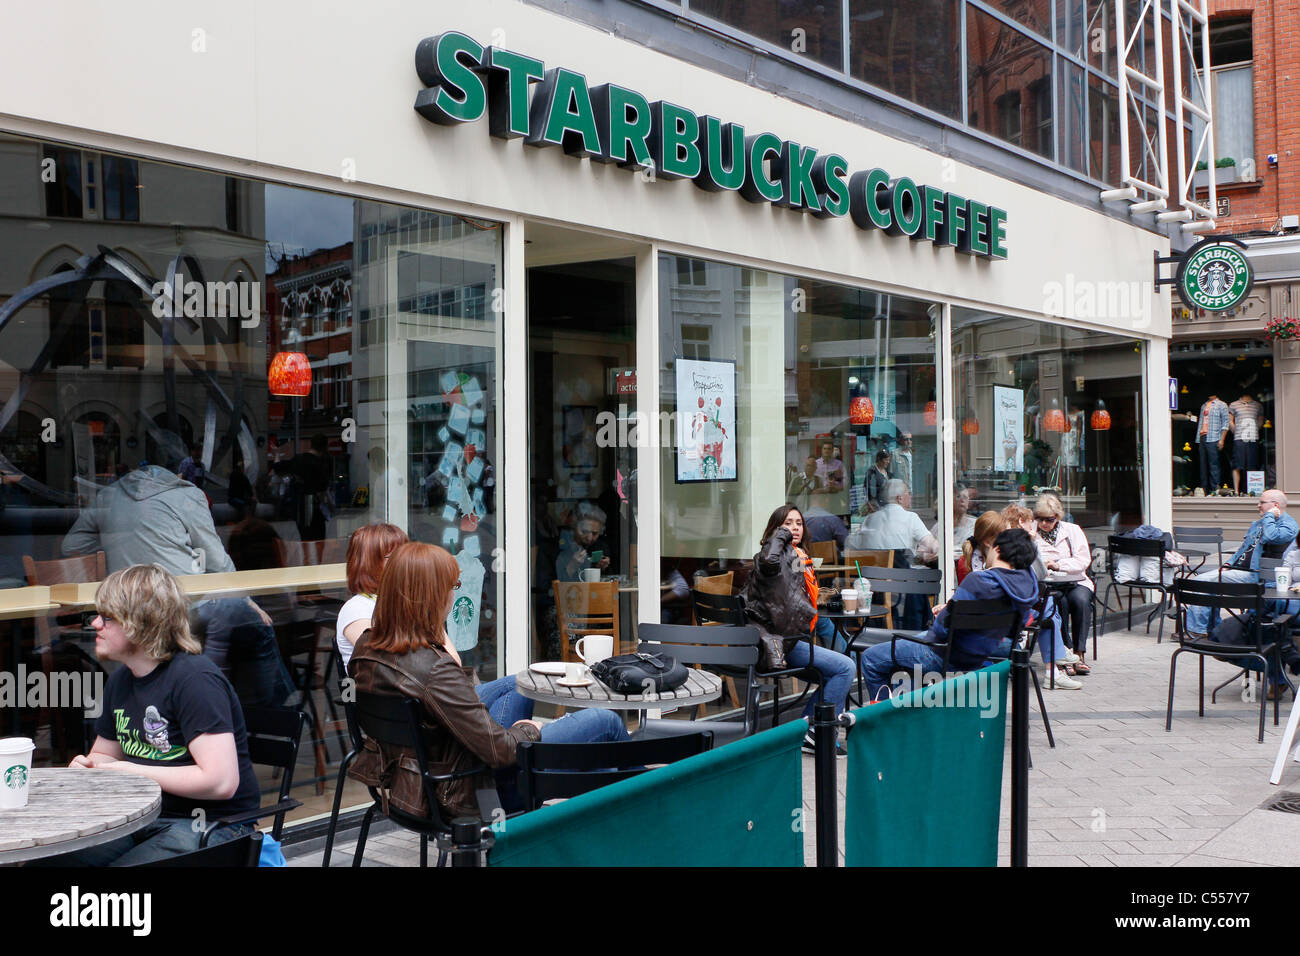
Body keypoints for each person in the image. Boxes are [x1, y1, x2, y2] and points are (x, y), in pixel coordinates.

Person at [348, 542, 627, 820]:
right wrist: (529, 730)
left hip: (419, 783)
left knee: (518, 686)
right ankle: (631, 818)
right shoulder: (433, 669)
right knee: (606, 722)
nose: (453, 597)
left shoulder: (366, 647)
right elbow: (502, 750)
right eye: (452, 587)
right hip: (470, 793)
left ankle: (586, 813)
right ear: (431, 597)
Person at [44, 564, 260, 865]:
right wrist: (90, 766)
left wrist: (129, 770)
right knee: (51, 862)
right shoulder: (122, 679)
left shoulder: (194, 680)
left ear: (140, 623)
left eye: (107, 617)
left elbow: (220, 782)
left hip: (213, 824)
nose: (94, 623)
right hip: (142, 818)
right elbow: (106, 756)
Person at [857, 528, 1042, 700]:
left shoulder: (979, 580)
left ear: (998, 549)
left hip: (950, 654)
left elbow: (941, 629)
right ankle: (913, 712)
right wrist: (951, 610)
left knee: (871, 658)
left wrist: (944, 614)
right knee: (903, 656)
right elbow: (1023, 621)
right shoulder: (1027, 585)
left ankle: (883, 722)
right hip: (991, 654)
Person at [741, 504, 857, 754]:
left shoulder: (796, 557)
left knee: (839, 665)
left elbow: (795, 593)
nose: (794, 528)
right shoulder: (770, 557)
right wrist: (780, 536)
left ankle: (804, 730)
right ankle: (816, 731)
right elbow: (772, 563)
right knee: (845, 668)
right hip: (781, 644)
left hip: (788, 638)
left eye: (798, 524)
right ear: (774, 530)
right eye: (787, 524)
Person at [961, 511, 1081, 688]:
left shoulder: (999, 557)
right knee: (1047, 608)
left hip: (1003, 623)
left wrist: (1032, 544)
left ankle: (1055, 666)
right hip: (995, 631)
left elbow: (1039, 574)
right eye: (1005, 537)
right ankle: (1056, 660)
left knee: (1047, 606)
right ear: (989, 542)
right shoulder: (980, 565)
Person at [1183, 489, 1299, 640]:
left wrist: (1270, 515)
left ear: (1275, 505)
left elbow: (1272, 536)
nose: (1258, 505)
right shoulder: (1258, 523)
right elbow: (1244, 548)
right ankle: (1211, 629)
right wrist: (1228, 563)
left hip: (1257, 575)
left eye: (1262, 502)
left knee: (1201, 582)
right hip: (1239, 570)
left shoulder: (1289, 525)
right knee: (1206, 584)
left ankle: (1197, 630)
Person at [1031, 491, 1095, 673]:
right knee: (1059, 602)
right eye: (1040, 519)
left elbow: (1083, 560)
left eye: (1049, 519)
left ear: (1057, 517)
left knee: (1081, 601)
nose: (1044, 524)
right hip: (1049, 585)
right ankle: (1064, 652)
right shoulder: (1032, 533)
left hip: (1076, 581)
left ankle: (1079, 652)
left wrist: (1058, 565)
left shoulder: (1072, 530)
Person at [336, 522, 409, 669]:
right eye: (394, 556)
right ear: (369, 563)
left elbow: (451, 664)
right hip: (381, 690)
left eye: (407, 554)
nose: (406, 562)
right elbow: (390, 663)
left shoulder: (400, 601)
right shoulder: (357, 608)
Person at [847, 478, 938, 564]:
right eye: (909, 493)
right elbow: (930, 543)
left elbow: (850, 544)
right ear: (900, 498)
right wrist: (938, 552)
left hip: (874, 576)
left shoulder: (870, 519)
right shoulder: (911, 518)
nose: (911, 496)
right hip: (902, 577)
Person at [556, 502, 612, 581]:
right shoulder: (560, 547)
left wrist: (604, 567)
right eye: (585, 532)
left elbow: (610, 581)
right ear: (574, 529)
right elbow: (551, 585)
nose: (589, 538)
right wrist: (572, 566)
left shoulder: (601, 547)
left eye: (595, 533)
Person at [1229, 392, 1263, 494]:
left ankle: (1251, 491)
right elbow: (1230, 421)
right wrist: (1237, 431)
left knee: (1252, 465)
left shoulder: (1257, 405)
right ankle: (1236, 491)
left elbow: (1260, 420)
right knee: (1237, 465)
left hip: (1253, 438)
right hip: (1239, 438)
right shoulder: (1234, 405)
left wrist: (1255, 430)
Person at [1196, 394, 1230, 492]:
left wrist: (1222, 439)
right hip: (1202, 436)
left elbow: (1225, 422)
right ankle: (1203, 489)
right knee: (1202, 464)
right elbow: (1201, 422)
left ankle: (1214, 488)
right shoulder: (1204, 405)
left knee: (1214, 464)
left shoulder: (1221, 404)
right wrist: (1198, 438)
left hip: (1214, 437)